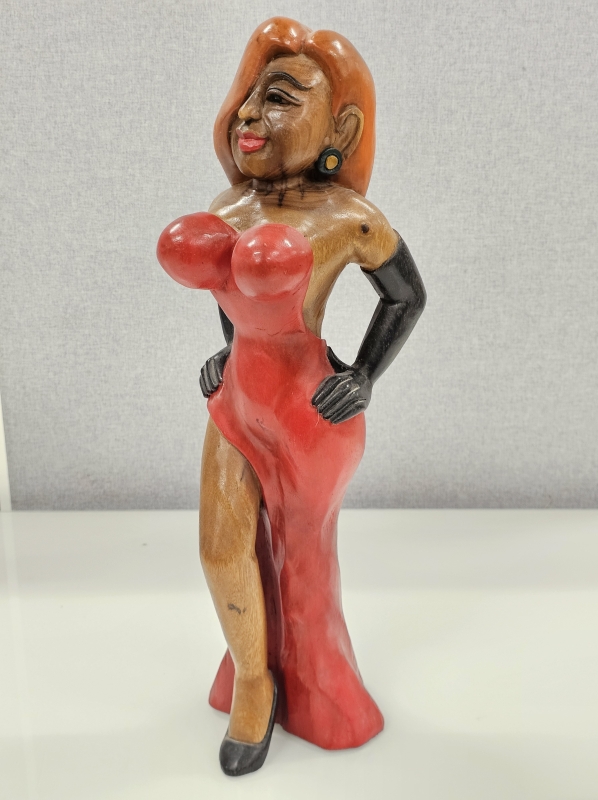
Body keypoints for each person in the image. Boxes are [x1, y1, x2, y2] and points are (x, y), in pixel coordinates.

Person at [157, 17, 426, 777]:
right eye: (248, 95)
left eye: (279, 97)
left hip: (311, 412)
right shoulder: (230, 206)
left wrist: (363, 375)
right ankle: (253, 681)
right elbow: (231, 289)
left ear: (340, 128)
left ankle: (320, 690)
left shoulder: (348, 218)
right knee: (221, 549)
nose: (250, 113)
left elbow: (406, 297)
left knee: (303, 564)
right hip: (237, 400)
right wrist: (226, 348)